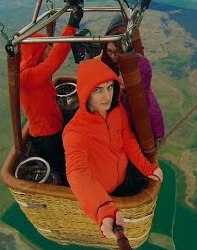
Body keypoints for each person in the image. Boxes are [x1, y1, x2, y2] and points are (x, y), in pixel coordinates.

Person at [63, 59, 163, 239]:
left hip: (125, 176)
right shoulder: (74, 132)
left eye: (110, 87)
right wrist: (102, 208)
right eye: (98, 90)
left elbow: (128, 140)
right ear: (85, 93)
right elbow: (77, 173)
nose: (107, 97)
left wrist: (145, 167)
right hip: (104, 192)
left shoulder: (116, 111)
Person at [20, 8, 83, 184]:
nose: (49, 49)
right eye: (45, 47)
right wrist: (71, 26)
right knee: (64, 169)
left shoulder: (35, 74)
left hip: (54, 127)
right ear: (36, 55)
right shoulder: (25, 77)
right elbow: (55, 59)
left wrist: (53, 31)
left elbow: (50, 58)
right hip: (46, 136)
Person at [101, 15, 166, 145]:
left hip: (134, 133)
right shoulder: (108, 64)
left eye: (116, 52)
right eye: (109, 51)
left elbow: (153, 115)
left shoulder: (142, 100)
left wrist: (158, 136)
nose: (113, 56)